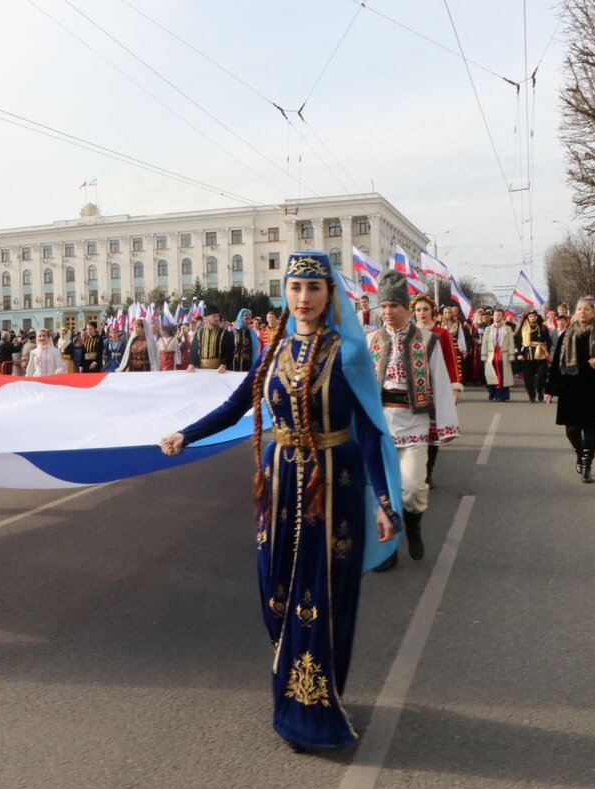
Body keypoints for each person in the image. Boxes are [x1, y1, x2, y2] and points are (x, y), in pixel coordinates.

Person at [159, 251, 402, 752]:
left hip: (333, 485)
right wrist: (187, 433)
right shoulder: (273, 351)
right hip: (279, 482)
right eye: (295, 288)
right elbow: (235, 407)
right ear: (285, 294)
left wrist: (382, 499)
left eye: (313, 289)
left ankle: (312, 706)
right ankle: (295, 688)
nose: (303, 298)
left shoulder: (348, 353)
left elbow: (371, 433)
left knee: (319, 599)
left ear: (329, 295)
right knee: (276, 593)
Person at [367, 271, 459, 572]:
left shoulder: (427, 340)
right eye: (383, 306)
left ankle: (414, 525)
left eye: (393, 306)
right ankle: (389, 548)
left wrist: (444, 423)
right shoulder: (372, 340)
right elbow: (361, 384)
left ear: (406, 308)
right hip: (381, 425)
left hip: (414, 424)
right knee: (384, 490)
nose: (387, 312)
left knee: (412, 489)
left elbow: (441, 382)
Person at [545, 299, 595, 483]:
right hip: (570, 388)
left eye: (587, 309)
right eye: (579, 309)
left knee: (591, 427)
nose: (582, 312)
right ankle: (581, 455)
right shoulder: (566, 334)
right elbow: (557, 364)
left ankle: (587, 465)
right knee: (572, 430)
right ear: (575, 313)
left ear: (593, 313)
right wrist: (550, 388)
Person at [410, 294, 463, 490]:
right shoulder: (410, 332)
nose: (422, 313)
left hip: (435, 389)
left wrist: (454, 389)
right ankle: (414, 471)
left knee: (432, 434)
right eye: (418, 310)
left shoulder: (442, 333)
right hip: (413, 391)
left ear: (432, 311)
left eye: (425, 309)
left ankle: (428, 472)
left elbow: (451, 361)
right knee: (415, 432)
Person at [515, 310, 552, 402]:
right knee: (528, 378)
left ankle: (540, 390)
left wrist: (547, 352)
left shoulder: (543, 327)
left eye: (534, 316)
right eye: (531, 316)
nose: (533, 318)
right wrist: (519, 353)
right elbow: (519, 342)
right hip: (527, 355)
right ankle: (531, 395)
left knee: (542, 375)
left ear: (537, 317)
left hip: (541, 354)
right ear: (528, 318)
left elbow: (549, 341)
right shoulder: (523, 328)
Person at [187, 306, 234, 372]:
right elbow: (194, 351)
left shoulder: (224, 332)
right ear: (206, 317)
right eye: (214, 316)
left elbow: (228, 351)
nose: (217, 318)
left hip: (219, 370)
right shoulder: (199, 332)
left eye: (218, 316)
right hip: (201, 370)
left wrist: (224, 365)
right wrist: (192, 364)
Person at [482, 311, 514, 401]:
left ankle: (503, 396)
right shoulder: (488, 329)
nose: (497, 317)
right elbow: (484, 343)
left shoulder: (508, 329)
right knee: (491, 374)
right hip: (491, 354)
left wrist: (511, 356)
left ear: (503, 317)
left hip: (503, 354)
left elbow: (511, 343)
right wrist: (484, 357)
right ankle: (492, 391)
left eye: (499, 315)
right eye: (495, 315)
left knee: (503, 375)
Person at [233, 308, 261, 372]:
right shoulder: (233, 332)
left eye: (249, 319)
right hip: (233, 366)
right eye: (246, 319)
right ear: (240, 318)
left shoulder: (251, 333)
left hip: (248, 366)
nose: (248, 321)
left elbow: (255, 350)